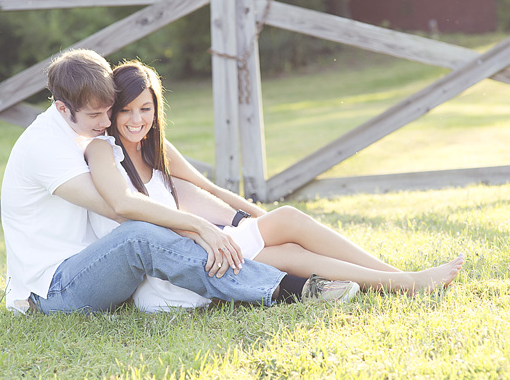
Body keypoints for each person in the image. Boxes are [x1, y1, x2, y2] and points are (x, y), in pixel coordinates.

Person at [84, 59, 465, 313]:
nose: (136, 119)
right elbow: (126, 209)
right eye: (126, 110)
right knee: (288, 229)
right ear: (113, 111)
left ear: (156, 109)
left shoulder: (156, 148)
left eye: (145, 109)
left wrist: (257, 222)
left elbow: (211, 190)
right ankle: (405, 282)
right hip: (170, 273)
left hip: (204, 249)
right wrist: (223, 231)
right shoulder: (103, 151)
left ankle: (399, 279)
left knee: (289, 243)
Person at [1, 49, 358, 316]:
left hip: (95, 266)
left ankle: (383, 279)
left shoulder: (88, 134)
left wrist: (235, 220)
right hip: (54, 289)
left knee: (273, 237)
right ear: (63, 109)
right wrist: (204, 229)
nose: (105, 121)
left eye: (109, 110)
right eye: (97, 115)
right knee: (138, 235)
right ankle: (285, 288)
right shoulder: (45, 146)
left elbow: (171, 188)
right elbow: (121, 208)